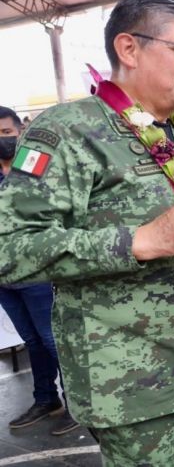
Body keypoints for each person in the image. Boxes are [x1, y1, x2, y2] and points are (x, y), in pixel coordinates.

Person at [0, 0, 174, 465]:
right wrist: (139, 242)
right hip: (132, 388)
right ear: (129, 49)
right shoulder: (68, 130)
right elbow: (10, 247)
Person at [0, 106, 79, 436]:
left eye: (6, 133)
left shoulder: (33, 165)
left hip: (35, 270)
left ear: (20, 130)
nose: (2, 140)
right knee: (32, 339)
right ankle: (46, 398)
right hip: (3, 275)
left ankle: (76, 403)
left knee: (52, 339)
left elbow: (49, 208)